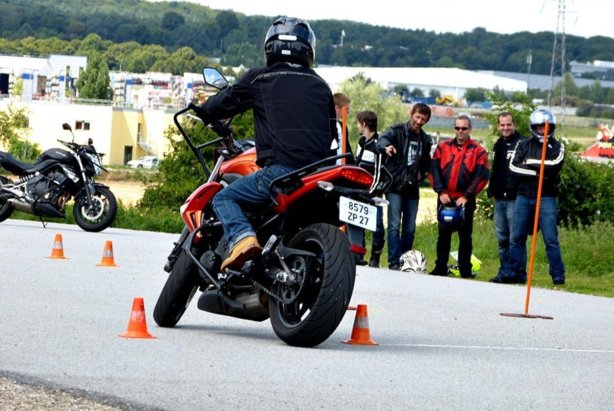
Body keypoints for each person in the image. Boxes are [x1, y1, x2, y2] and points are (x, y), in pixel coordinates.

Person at [192, 16, 338, 272]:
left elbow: (226, 101)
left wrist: (204, 111)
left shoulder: (260, 78)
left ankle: (242, 239)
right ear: (308, 49)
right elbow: (330, 132)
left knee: (223, 198)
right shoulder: (322, 86)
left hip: (282, 171)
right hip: (318, 173)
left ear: (270, 46)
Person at [493, 109, 566, 285]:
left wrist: (529, 163)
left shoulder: (558, 146)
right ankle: (511, 271)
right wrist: (541, 171)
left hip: (546, 197)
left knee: (550, 238)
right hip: (524, 196)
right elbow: (514, 168)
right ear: (534, 128)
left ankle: (558, 274)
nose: (543, 131)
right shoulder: (523, 144)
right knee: (517, 236)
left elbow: (554, 165)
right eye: (540, 127)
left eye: (547, 127)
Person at [429, 114, 489, 278]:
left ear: (470, 129)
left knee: (465, 236)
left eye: (464, 128)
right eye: (457, 128)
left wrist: (467, 196)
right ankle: (440, 267)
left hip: (465, 200)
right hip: (445, 198)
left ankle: (465, 270)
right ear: (454, 129)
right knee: (443, 234)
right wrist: (440, 191)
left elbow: (482, 176)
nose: (460, 131)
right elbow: (433, 170)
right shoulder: (443, 147)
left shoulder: (478, 150)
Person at [377, 103, 432, 270]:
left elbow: (426, 163)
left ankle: (406, 261)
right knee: (394, 225)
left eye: (423, 119)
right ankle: (394, 262)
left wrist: (421, 174)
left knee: (409, 228)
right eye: (417, 117)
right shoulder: (397, 130)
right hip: (395, 185)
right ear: (411, 114)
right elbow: (381, 140)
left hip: (412, 188)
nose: (419, 121)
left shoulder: (425, 139)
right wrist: (387, 147)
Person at [487, 112, 527, 283]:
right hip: (499, 199)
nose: (505, 128)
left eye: (508, 124)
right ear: (498, 126)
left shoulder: (523, 144)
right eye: (502, 125)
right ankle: (504, 271)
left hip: (515, 198)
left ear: (514, 124)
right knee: (502, 238)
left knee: (515, 238)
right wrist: (492, 192)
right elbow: (495, 170)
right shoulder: (498, 145)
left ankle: (518, 273)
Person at [354, 110, 385, 267]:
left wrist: (371, 192)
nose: (357, 126)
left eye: (358, 123)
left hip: (373, 192)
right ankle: (359, 253)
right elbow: (357, 164)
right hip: (359, 190)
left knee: (377, 226)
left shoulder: (378, 144)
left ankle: (375, 257)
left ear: (364, 124)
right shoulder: (361, 141)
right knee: (358, 221)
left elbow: (378, 171)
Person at [332, 93, 355, 164]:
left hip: (341, 168)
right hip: (329, 169)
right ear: (337, 108)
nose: (348, 112)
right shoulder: (326, 127)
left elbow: (347, 148)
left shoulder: (343, 126)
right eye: (346, 109)